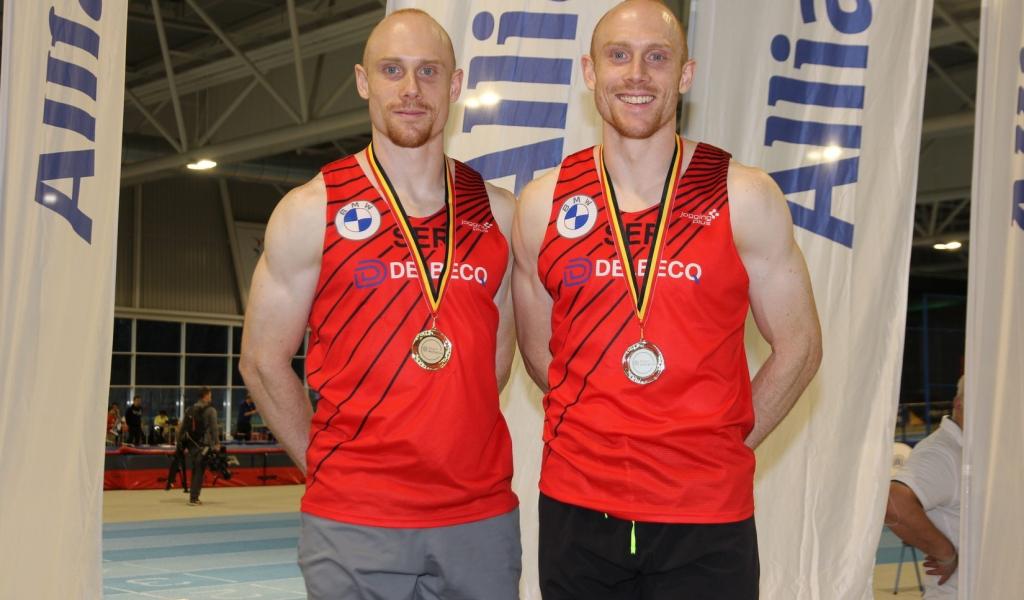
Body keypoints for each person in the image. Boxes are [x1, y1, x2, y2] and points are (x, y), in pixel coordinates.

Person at [512, 1, 822, 597]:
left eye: (657, 57)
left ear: (685, 75)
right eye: (618, 56)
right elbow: (541, 354)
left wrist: (725, 444)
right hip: (578, 508)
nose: (636, 74)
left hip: (706, 513)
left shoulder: (744, 195)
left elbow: (801, 346)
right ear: (589, 72)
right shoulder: (542, 205)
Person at [239, 9, 520, 600]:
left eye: (428, 72)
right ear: (365, 81)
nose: (411, 90)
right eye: (393, 71)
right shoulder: (311, 209)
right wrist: (331, 467)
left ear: (456, 85)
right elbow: (263, 362)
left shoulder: (499, 212)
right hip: (353, 521)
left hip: (478, 518)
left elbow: (493, 363)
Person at [886, 375, 964, 598]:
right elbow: (893, 503)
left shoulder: (979, 449)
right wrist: (944, 552)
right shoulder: (942, 453)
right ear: (959, 405)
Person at [167, 387, 221, 505]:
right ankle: (194, 497)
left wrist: (180, 443)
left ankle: (194, 495)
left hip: (191, 444)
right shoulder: (211, 410)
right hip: (204, 445)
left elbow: (182, 428)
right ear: (206, 396)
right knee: (199, 470)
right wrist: (217, 443)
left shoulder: (190, 409)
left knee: (196, 468)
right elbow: (214, 428)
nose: (211, 397)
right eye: (210, 395)